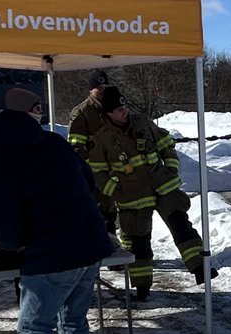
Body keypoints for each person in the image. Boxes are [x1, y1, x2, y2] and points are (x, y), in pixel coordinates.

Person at [0, 87, 114, 334]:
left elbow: (7, 234)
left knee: (35, 327)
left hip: (54, 253)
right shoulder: (54, 143)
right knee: (73, 320)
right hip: (91, 243)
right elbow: (89, 183)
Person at [87, 86, 217, 302]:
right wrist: (116, 190)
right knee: (139, 241)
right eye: (119, 110)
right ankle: (142, 287)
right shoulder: (102, 138)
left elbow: (166, 143)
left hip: (162, 186)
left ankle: (200, 269)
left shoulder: (142, 122)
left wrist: (171, 168)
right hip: (132, 196)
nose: (124, 112)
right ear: (108, 113)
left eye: (124, 107)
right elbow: (97, 172)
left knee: (181, 226)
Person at [67, 70, 118, 241]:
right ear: (91, 89)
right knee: (101, 209)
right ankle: (103, 245)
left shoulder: (114, 107)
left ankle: (115, 245)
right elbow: (76, 145)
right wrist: (91, 167)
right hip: (94, 171)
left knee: (115, 210)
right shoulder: (82, 112)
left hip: (117, 168)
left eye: (105, 86)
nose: (102, 90)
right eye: (98, 87)